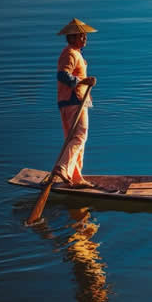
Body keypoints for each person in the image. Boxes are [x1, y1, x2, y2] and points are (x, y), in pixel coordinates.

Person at [55, 18, 98, 188]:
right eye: (82, 36)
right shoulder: (70, 53)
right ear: (72, 38)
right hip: (74, 101)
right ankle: (63, 167)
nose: (85, 38)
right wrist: (84, 81)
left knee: (74, 139)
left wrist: (83, 81)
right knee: (80, 137)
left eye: (85, 35)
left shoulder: (76, 53)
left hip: (72, 101)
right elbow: (63, 76)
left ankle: (75, 178)